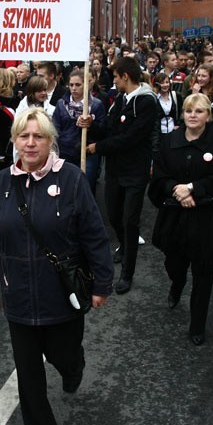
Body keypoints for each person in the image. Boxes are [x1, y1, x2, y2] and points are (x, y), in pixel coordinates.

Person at [0, 108, 113, 425]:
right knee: (28, 370)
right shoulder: (1, 184)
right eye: (24, 135)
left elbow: (94, 235)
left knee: (63, 354)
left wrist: (102, 283)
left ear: (51, 140)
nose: (31, 142)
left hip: (61, 294)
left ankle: (74, 366)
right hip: (18, 294)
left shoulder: (71, 178)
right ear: (15, 141)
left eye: (38, 136)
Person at [148, 94, 213, 346]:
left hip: (205, 220)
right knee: (174, 264)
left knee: (204, 273)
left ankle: (198, 324)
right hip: (175, 217)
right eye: (188, 111)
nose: (192, 115)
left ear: (208, 115)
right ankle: (177, 282)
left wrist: (194, 188)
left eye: (198, 111)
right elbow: (159, 177)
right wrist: (177, 189)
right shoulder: (169, 141)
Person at [86, 56, 159, 295]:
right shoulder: (119, 99)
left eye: (116, 77)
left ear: (125, 76)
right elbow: (109, 128)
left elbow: (131, 138)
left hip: (135, 171)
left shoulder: (147, 102)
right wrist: (92, 124)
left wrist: (100, 147)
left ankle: (128, 272)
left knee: (130, 220)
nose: (113, 81)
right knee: (114, 214)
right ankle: (124, 246)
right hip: (115, 170)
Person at [52, 68, 107, 193]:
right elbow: (55, 129)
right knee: (65, 189)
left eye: (78, 85)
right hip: (65, 153)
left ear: (86, 85)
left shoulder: (96, 105)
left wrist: (91, 125)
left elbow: (103, 131)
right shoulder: (61, 104)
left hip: (87, 153)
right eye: (71, 85)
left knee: (85, 189)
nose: (74, 88)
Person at [184, 63, 213, 132]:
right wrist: (195, 95)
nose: (200, 78)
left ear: (211, 78)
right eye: (198, 75)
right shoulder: (191, 92)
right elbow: (188, 110)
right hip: (197, 130)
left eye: (204, 76)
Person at [153, 72, 182, 138]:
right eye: (162, 83)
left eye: (167, 82)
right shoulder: (154, 98)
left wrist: (179, 125)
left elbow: (181, 112)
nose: (165, 85)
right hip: (159, 135)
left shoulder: (176, 96)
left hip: (173, 133)